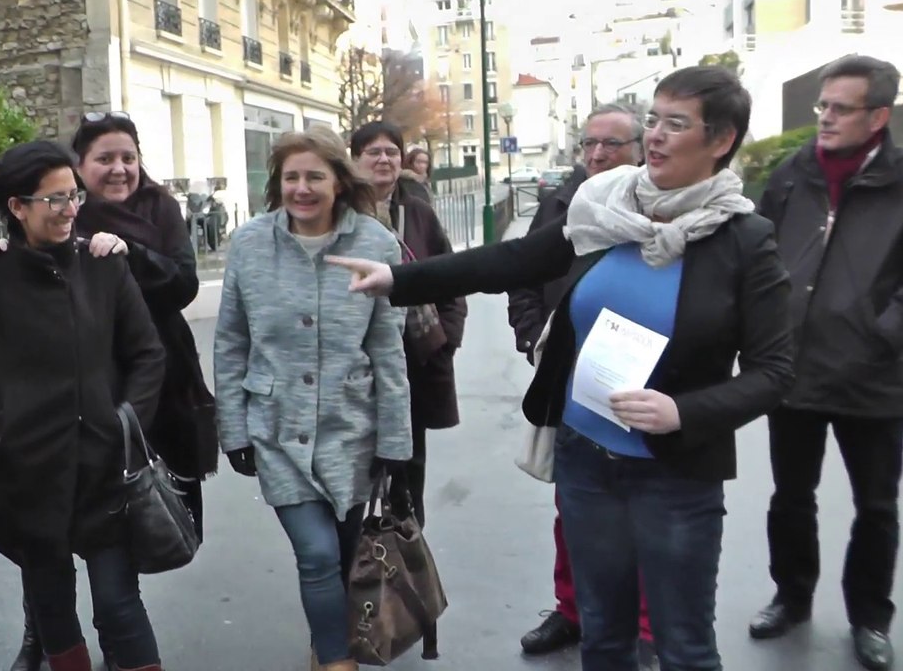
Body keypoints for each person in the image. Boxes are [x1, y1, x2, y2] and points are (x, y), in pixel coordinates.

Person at [329, 65, 794, 671]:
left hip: (674, 476)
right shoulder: (603, 208)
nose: (655, 135)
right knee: (603, 639)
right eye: (653, 118)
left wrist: (683, 410)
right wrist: (397, 279)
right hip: (585, 461)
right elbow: (512, 260)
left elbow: (775, 371)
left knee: (683, 646)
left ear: (722, 140)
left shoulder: (744, 239)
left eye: (676, 124)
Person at [0, 112, 217, 671]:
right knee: (50, 582)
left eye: (127, 157)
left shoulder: (130, 237)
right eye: (103, 159)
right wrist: (0, 429)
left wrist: (124, 419)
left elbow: (172, 304)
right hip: (36, 446)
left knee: (117, 591)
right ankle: (42, 637)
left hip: (123, 424)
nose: (118, 169)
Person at [0, 140, 168, 671]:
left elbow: (147, 355)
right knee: (52, 606)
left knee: (119, 605)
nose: (71, 209)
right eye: (55, 199)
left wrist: (125, 424)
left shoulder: (102, 265)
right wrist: (1, 431)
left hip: (105, 467)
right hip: (30, 472)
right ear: (17, 207)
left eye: (73, 196)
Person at [215, 129, 412, 671]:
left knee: (347, 556)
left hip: (352, 429)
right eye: (291, 177)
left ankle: (327, 638)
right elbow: (231, 341)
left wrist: (396, 440)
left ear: (339, 184)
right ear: (277, 184)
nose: (302, 188)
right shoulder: (252, 243)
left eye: (314, 177)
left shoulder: (374, 243)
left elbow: (387, 349)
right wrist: (233, 429)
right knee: (318, 555)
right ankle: (335, 661)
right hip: (277, 428)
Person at [748, 54, 903, 671]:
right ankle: (791, 596)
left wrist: (882, 334)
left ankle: (869, 617)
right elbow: (757, 251)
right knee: (790, 496)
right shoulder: (792, 174)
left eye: (841, 108)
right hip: (794, 370)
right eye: (823, 106)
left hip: (876, 377)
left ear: (879, 116)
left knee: (877, 506)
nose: (826, 118)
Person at [506, 103, 657, 660]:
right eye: (589, 144)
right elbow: (518, 277)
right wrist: (532, 340)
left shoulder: (657, 208)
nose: (596, 154)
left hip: (643, 386)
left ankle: (643, 625)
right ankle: (571, 610)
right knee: (572, 506)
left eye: (611, 145)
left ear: (639, 150)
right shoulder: (561, 205)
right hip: (570, 383)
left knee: (642, 510)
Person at [350, 121, 466, 528]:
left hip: (413, 357)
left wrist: (447, 337)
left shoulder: (416, 210)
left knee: (408, 462)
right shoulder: (341, 214)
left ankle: (406, 555)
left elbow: (450, 273)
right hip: (354, 360)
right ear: (353, 159)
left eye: (392, 152)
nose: (385, 159)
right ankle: (358, 557)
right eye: (373, 152)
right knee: (356, 460)